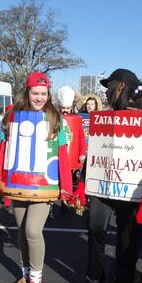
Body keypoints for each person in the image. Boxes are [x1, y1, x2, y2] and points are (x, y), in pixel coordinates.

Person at [72, 69, 142, 283]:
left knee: (127, 242)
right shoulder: (102, 118)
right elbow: (94, 153)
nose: (106, 90)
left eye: (109, 85)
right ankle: (95, 276)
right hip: (102, 187)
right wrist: (83, 183)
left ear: (121, 87)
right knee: (94, 228)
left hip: (132, 192)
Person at [0, 72, 72, 283]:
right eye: (35, 93)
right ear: (27, 92)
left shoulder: (56, 118)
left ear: (49, 95)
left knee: (32, 230)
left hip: (44, 186)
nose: (39, 97)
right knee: (20, 231)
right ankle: (25, 274)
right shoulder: (13, 116)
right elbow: (3, 150)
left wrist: (66, 188)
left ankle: (36, 280)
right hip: (18, 184)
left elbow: (62, 155)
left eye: (43, 94)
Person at [57, 86, 87, 214]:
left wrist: (82, 153)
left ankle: (65, 200)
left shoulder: (77, 120)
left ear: (71, 108)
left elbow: (81, 138)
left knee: (67, 179)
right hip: (57, 154)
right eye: (63, 108)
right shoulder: (54, 118)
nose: (65, 111)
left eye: (67, 108)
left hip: (71, 156)